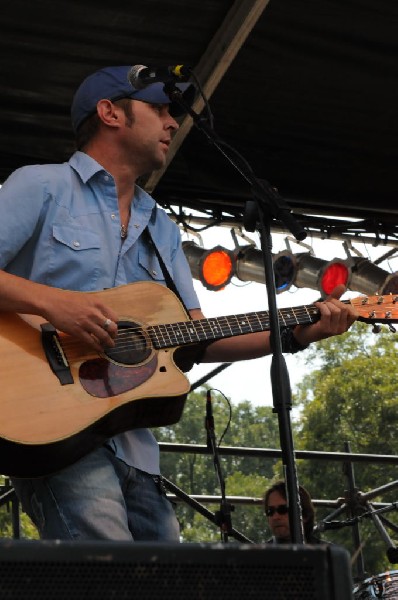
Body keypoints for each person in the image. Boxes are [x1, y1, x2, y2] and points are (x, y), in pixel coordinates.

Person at [0, 65, 358, 542]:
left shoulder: (161, 226)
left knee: (170, 572)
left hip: (135, 447)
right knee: (107, 567)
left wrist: (299, 332)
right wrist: (54, 304)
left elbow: (198, 337)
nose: (173, 122)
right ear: (110, 113)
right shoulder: (40, 186)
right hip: (50, 426)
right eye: (159, 109)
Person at [264, 480, 322, 544]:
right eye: (270, 511)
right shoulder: (258, 553)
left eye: (283, 510)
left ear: (305, 515)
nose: (275, 517)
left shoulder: (328, 552)